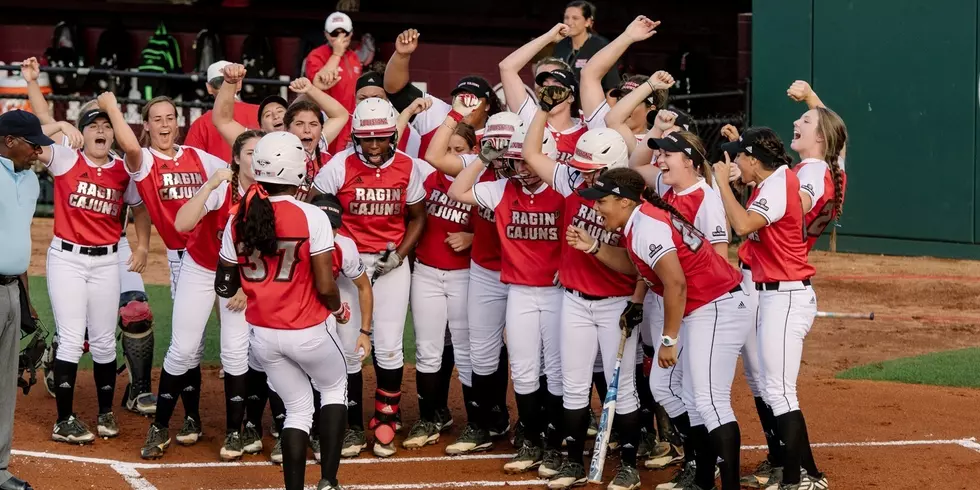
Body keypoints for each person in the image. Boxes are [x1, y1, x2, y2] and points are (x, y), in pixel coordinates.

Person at [568, 167, 746, 490]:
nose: (595, 207)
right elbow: (638, 265)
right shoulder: (638, 222)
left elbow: (675, 284)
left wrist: (668, 340)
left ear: (623, 202)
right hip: (703, 306)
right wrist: (594, 247)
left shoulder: (647, 224)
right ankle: (703, 476)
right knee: (664, 385)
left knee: (709, 400)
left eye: (601, 201)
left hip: (718, 304)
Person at [98, 92, 228, 458]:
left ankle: (237, 422)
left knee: (237, 340)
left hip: (223, 251)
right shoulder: (144, 161)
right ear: (147, 125)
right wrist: (112, 108)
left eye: (171, 117)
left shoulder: (198, 156)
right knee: (191, 343)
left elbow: (238, 167)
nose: (166, 124)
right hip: (185, 257)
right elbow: (128, 145)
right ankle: (191, 418)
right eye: (157, 119)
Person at [522, 104, 645, 489]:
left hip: (614, 304)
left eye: (589, 169)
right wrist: (542, 110)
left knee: (621, 387)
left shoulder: (632, 207)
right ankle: (573, 461)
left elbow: (636, 266)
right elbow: (530, 154)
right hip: (574, 300)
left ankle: (629, 465)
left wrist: (594, 248)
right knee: (573, 385)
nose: (581, 173)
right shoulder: (573, 184)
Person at [217, 131, 348, 490]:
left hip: (263, 337)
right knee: (335, 389)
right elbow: (324, 285)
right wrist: (338, 310)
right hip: (307, 329)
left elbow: (224, 286)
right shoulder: (311, 216)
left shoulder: (238, 217)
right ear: (296, 170)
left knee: (298, 410)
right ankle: (328, 481)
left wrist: (258, 284)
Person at [713, 128, 829, 490]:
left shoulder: (779, 184)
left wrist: (724, 187)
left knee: (779, 390)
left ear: (753, 159)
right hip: (770, 295)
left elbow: (743, 224)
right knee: (769, 385)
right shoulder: (771, 182)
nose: (736, 164)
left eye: (739, 158)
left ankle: (798, 481)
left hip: (786, 297)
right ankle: (806, 474)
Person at [448, 116, 564, 476]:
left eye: (529, 160)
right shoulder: (501, 189)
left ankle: (555, 440)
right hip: (519, 291)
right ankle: (529, 438)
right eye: (518, 161)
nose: (523, 169)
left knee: (556, 371)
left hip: (557, 293)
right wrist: (484, 159)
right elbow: (457, 192)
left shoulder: (563, 187)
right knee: (525, 369)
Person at [312, 97, 427, 458]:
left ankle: (386, 417)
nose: (374, 146)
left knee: (390, 344)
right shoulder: (337, 166)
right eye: (367, 139)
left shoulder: (408, 166)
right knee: (350, 346)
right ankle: (352, 426)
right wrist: (338, 246)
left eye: (381, 138)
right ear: (356, 137)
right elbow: (318, 210)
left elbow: (418, 217)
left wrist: (399, 255)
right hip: (348, 261)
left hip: (389, 262)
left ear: (393, 135)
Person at [29, 104, 146, 446]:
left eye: (106, 126)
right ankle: (63, 420)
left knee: (104, 340)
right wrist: (62, 125)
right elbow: (28, 138)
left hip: (108, 262)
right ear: (83, 133)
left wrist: (140, 248)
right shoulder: (67, 159)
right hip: (67, 259)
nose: (100, 131)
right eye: (93, 125)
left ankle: (105, 412)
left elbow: (139, 210)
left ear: (114, 134)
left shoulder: (124, 170)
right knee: (69, 337)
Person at [146, 130, 263, 461]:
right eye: (250, 152)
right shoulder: (222, 188)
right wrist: (209, 185)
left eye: (261, 153)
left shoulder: (269, 195)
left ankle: (234, 432)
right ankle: (160, 426)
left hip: (242, 278)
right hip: (200, 268)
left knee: (235, 353)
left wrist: (247, 286)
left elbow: (270, 251)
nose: (255, 159)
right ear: (237, 157)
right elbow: (183, 224)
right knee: (183, 348)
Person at [423, 109, 523, 455]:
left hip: (528, 273)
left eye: (506, 142)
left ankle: (528, 425)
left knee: (531, 353)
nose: (501, 149)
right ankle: (482, 422)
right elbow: (435, 157)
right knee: (481, 350)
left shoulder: (534, 169)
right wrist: (482, 157)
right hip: (485, 270)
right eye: (493, 141)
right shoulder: (477, 165)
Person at [401, 120, 478, 451]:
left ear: (472, 152)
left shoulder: (481, 181)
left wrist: (472, 237)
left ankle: (478, 422)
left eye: (458, 150)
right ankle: (430, 417)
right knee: (428, 349)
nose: (450, 155)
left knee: (466, 350)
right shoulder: (426, 178)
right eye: (446, 148)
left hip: (465, 275)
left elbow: (496, 227)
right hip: (427, 272)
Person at [213, 64, 349, 203]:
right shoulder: (259, 145)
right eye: (268, 115)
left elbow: (341, 115)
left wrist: (312, 89)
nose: (276, 116)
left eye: (280, 111)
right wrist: (230, 82)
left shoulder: (312, 139)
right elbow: (223, 121)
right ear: (261, 128)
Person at [0, 109, 48, 490]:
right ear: (9, 141)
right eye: (33, 145)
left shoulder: (31, 181)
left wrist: (27, 298)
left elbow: (18, 241)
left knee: (4, 386)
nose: (39, 152)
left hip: (12, 293)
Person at [308, 194, 374, 459]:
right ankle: (311, 430)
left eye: (334, 225)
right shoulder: (294, 241)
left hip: (332, 299)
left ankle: (355, 428)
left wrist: (365, 333)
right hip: (303, 305)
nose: (329, 231)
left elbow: (363, 286)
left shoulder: (344, 246)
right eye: (324, 224)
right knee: (307, 359)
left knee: (350, 355)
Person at [383, 28, 502, 156]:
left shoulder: (497, 133)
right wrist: (401, 55)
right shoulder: (438, 113)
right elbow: (395, 89)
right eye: (460, 98)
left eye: (472, 99)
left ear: (487, 105)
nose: (466, 103)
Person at [581, 16, 662, 133]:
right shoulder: (603, 124)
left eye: (631, 99)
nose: (623, 105)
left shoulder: (657, 146)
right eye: (620, 99)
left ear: (650, 109)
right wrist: (627, 37)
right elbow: (589, 73)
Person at [305, 11, 365, 153]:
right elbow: (319, 81)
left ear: (350, 34)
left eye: (343, 33)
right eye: (334, 34)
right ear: (326, 34)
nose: (339, 38)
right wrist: (337, 53)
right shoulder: (316, 55)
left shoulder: (353, 57)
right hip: (328, 117)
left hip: (351, 119)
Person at [182, 60, 260, 163]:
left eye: (225, 81)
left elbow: (190, 163)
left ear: (209, 88)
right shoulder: (262, 113)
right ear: (239, 83)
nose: (224, 85)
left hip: (219, 178)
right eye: (219, 82)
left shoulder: (200, 124)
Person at [551, 1, 619, 94]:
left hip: (591, 104)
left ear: (588, 22)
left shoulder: (601, 46)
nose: (569, 22)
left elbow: (611, 85)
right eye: (566, 17)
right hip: (563, 103)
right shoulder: (560, 46)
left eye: (575, 18)